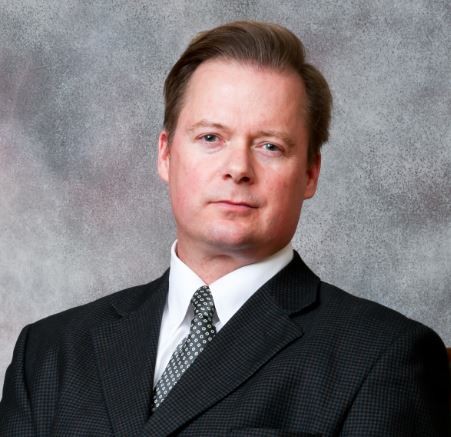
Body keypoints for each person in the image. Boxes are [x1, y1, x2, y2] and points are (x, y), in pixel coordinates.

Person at [0, 21, 449, 436]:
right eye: (211, 138)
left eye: (270, 146)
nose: (238, 168)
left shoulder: (382, 357)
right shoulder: (49, 352)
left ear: (310, 173)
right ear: (166, 154)